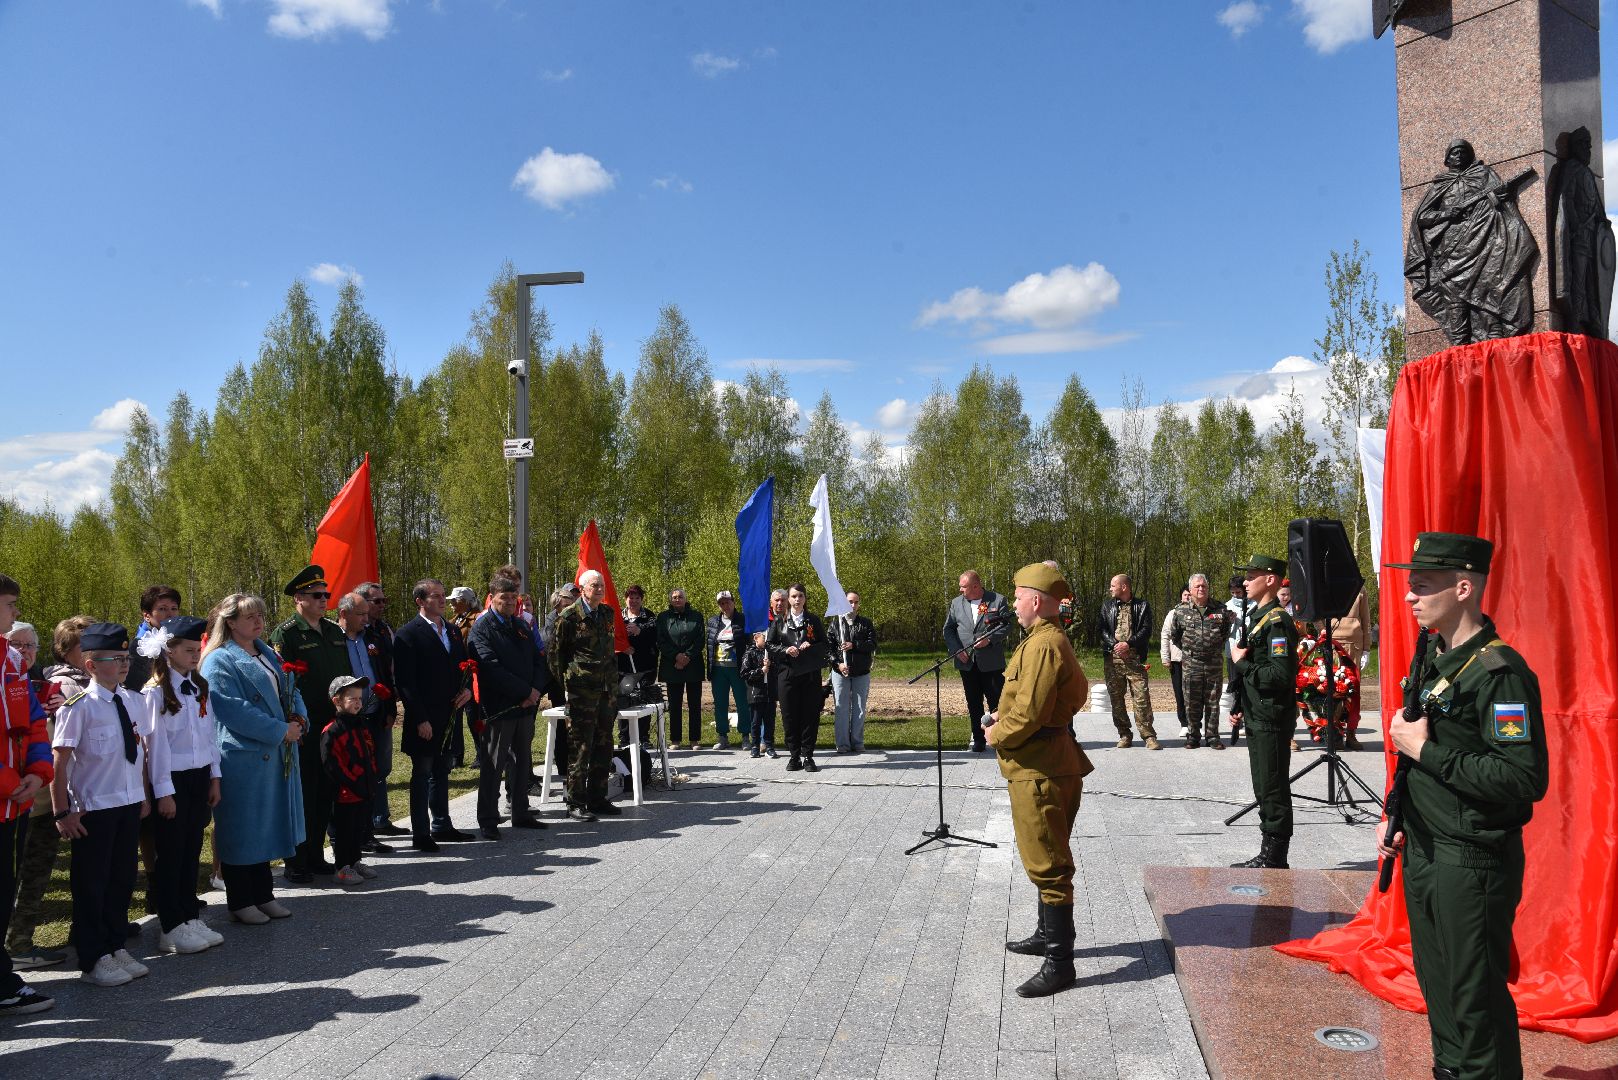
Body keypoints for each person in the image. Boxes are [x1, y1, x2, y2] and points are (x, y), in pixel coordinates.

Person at [1376, 533, 1546, 1080]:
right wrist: (1398, 815)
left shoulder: (1500, 674)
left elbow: (1522, 777)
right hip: (1426, 849)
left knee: (1474, 1004)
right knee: (1440, 991)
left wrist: (1425, 749)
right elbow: (1417, 761)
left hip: (1471, 860)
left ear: (1464, 587)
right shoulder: (1436, 655)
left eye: (1422, 585)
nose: (1410, 596)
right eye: (1410, 585)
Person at [983, 563, 1093, 999]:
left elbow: (1028, 713)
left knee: (1049, 865)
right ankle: (1045, 937)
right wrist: (1002, 715)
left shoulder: (1045, 645)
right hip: (1044, 762)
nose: (1012, 603)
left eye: (1016, 596)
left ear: (1035, 600)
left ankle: (1060, 965)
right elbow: (1053, 699)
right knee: (1043, 856)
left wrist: (996, 732)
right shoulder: (1044, 641)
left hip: (1041, 770)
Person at [50, 622, 150, 988]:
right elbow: (60, 765)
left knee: (122, 879)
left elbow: (138, 752)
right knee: (92, 883)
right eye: (115, 659)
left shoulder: (132, 700)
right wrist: (63, 811)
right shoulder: (78, 707)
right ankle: (93, 957)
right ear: (91, 665)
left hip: (126, 803)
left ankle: (114, 943)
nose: (124, 664)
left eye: (126, 657)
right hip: (93, 808)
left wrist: (142, 796)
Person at [199, 593, 306, 925]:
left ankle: (264, 895)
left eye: (260, 614)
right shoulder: (219, 659)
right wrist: (279, 730)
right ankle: (240, 900)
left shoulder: (266, 653)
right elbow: (232, 709)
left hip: (275, 751)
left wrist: (299, 720)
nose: (258, 621)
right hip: (243, 755)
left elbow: (292, 688)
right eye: (249, 617)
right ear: (230, 623)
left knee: (264, 826)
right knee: (243, 828)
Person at [136, 615, 224, 955]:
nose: (194, 656)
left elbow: (208, 734)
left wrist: (214, 775)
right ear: (169, 650)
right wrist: (163, 792)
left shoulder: (199, 686)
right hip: (171, 780)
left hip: (199, 775)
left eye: (196, 650)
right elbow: (154, 746)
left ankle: (189, 915)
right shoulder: (156, 692)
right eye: (188, 650)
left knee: (190, 850)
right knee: (170, 854)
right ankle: (170, 925)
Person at [7, 616, 90, 970]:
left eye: (30, 646)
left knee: (37, 873)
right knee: (13, 874)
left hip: (43, 796)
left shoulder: (38, 684)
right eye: (17, 645)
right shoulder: (12, 684)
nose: (24, 651)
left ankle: (21, 942)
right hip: (11, 796)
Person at [1407, 138, 1537, 346]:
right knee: (1455, 303)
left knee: (1487, 289)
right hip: (1451, 250)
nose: (1458, 156)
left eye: (1462, 152)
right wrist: (1448, 214)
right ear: (1446, 159)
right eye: (1454, 153)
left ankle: (1495, 338)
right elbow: (1422, 218)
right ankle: (1460, 348)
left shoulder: (1483, 175)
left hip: (1484, 242)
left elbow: (1500, 200)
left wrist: (1502, 195)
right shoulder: (1440, 186)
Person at [268, 565, 350, 881]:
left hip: (334, 726)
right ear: (298, 599)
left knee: (325, 794)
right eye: (317, 595)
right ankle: (297, 860)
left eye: (326, 595)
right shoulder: (286, 634)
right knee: (304, 796)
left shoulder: (333, 632)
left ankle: (316, 855)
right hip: (306, 727)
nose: (323, 600)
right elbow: (282, 684)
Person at [0, 576, 55, 1015]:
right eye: (10, 604)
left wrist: (38, 771)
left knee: (4, 891)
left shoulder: (12, 661)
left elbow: (34, 722)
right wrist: (9, 780)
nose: (16, 612)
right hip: (7, 792)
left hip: (14, 801)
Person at [1228, 555, 1301, 870]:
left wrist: (1240, 662)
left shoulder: (1277, 622)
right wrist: (1240, 704)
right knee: (1263, 784)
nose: (1245, 581)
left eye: (1252, 575)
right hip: (1258, 713)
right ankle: (1269, 852)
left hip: (1271, 717)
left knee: (1272, 786)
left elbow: (1280, 675)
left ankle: (1275, 856)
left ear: (1271, 579)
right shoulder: (1259, 616)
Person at [393, 579, 474, 845]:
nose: (442, 600)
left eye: (443, 596)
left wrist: (467, 690)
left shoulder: (451, 631)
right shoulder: (408, 633)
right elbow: (406, 682)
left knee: (442, 770)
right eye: (435, 596)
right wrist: (420, 718)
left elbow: (462, 666)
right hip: (425, 717)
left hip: (449, 714)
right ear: (420, 601)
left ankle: (442, 824)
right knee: (422, 772)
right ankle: (421, 833)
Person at [468, 574, 548, 840]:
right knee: (494, 764)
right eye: (505, 597)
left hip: (525, 708)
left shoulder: (522, 625)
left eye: (515, 597)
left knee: (522, 761)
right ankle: (488, 819)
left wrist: (535, 690)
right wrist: (525, 692)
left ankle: (521, 812)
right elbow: (490, 668)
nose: (511, 602)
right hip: (500, 708)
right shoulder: (482, 628)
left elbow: (538, 659)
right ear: (492, 598)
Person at [550, 570, 620, 822]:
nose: (600, 589)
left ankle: (597, 798)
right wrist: (570, 683)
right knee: (580, 747)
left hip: (605, 691)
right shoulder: (568, 617)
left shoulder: (607, 613)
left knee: (604, 745)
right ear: (582, 588)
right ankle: (575, 803)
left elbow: (610, 650)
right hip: (582, 693)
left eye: (601, 585)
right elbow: (556, 657)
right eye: (594, 585)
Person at [332, 592, 393, 855]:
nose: (366, 620)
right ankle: (347, 836)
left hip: (375, 715)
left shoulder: (372, 636)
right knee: (350, 777)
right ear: (344, 614)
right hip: (348, 720)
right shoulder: (333, 639)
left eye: (368, 614)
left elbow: (384, 672)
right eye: (361, 614)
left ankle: (368, 832)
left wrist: (389, 706)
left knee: (376, 773)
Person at [321, 675, 382, 887]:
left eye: (359, 698)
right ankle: (342, 867)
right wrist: (352, 782)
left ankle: (355, 861)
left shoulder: (361, 726)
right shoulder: (332, 731)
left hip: (363, 790)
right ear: (337, 701)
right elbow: (332, 764)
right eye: (351, 699)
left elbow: (369, 754)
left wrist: (371, 778)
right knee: (344, 831)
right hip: (345, 792)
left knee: (359, 828)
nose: (358, 702)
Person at [942, 571, 1011, 753]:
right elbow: (948, 630)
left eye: (963, 586)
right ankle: (978, 740)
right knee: (973, 702)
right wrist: (957, 650)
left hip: (991, 662)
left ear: (975, 586)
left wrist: (990, 639)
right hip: (967, 662)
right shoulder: (956, 603)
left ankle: (998, 738)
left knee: (996, 702)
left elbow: (1007, 625)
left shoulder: (997, 600)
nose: (960, 589)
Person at [356, 582, 403, 842]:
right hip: (358, 712)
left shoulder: (384, 630)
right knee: (362, 767)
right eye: (377, 601)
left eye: (384, 600)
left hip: (382, 708)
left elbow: (393, 668)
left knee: (382, 766)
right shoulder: (352, 632)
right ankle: (365, 826)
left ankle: (380, 819)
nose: (382, 605)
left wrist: (391, 705)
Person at [767, 583, 828, 772]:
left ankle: (808, 756)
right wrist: (786, 650)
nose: (797, 599)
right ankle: (794, 755)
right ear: (788, 600)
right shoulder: (779, 621)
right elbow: (769, 645)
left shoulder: (813, 620)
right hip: (787, 674)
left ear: (805, 599)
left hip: (809, 675)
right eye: (793, 596)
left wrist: (811, 647)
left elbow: (825, 645)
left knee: (809, 715)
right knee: (790, 716)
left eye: (800, 596)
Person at [1170, 574, 1231, 751]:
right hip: (1192, 663)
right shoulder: (1180, 611)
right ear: (1190, 590)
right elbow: (1175, 636)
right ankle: (1193, 736)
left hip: (1214, 663)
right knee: (1192, 701)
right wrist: (1191, 651)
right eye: (1197, 586)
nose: (1201, 589)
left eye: (1204, 586)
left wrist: (1212, 648)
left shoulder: (1220, 609)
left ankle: (1212, 736)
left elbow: (1225, 632)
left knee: (1213, 701)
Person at [1100, 573, 1157, 749]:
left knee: (1141, 698)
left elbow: (1146, 630)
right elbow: (1102, 630)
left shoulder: (1142, 605)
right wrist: (1116, 645)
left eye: (1113, 585)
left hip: (1135, 659)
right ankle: (1124, 734)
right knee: (1116, 700)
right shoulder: (1107, 606)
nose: (1110, 588)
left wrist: (1129, 644)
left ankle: (1149, 736)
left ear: (1124, 587)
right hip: (1113, 660)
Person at [826, 590, 877, 753]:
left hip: (861, 672)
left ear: (859, 604)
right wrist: (838, 664)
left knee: (860, 708)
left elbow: (872, 644)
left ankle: (857, 742)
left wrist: (854, 645)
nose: (852, 605)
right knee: (841, 708)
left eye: (855, 602)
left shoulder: (866, 623)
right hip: (840, 673)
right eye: (849, 601)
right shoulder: (835, 624)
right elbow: (829, 649)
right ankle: (842, 744)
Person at [656, 589, 706, 750]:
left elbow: (700, 639)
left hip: (693, 665)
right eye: (674, 597)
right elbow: (660, 640)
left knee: (694, 704)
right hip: (672, 666)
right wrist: (676, 656)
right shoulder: (663, 617)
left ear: (686, 599)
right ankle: (675, 740)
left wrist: (687, 657)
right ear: (670, 600)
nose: (678, 599)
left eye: (680, 597)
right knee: (675, 704)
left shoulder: (696, 616)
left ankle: (694, 740)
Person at [705, 590, 748, 750]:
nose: (725, 605)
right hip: (718, 669)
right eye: (722, 603)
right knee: (720, 704)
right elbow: (708, 646)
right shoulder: (713, 621)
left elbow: (749, 643)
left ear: (734, 602)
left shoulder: (743, 619)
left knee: (742, 702)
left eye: (728, 601)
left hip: (737, 669)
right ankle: (722, 736)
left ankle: (745, 736)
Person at [618, 585, 658, 744]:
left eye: (637, 598)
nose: (633, 601)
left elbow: (654, 636)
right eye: (631, 598)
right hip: (625, 669)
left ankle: (643, 737)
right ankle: (624, 738)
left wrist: (639, 631)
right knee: (624, 701)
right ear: (625, 599)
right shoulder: (618, 617)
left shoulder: (649, 616)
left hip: (645, 668)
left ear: (641, 600)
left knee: (644, 703)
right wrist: (623, 648)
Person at [447, 586, 481, 767]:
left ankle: (481, 753)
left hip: (474, 673)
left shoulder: (477, 618)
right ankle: (456, 755)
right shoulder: (453, 621)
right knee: (457, 713)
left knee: (473, 714)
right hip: (458, 674)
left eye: (455, 600)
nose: (451, 603)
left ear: (466, 602)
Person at [124, 584, 182, 692]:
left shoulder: (181, 643)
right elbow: (135, 690)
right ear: (147, 616)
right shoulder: (138, 649)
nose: (170, 614)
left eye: (174, 608)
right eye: (162, 609)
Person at [740, 631, 775, 759]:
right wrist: (761, 671)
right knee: (756, 722)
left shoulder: (771, 652)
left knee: (769, 721)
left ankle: (769, 746)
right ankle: (755, 746)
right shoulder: (749, 653)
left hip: (769, 693)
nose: (766, 640)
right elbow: (744, 673)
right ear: (756, 638)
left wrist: (771, 666)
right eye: (764, 637)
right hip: (755, 693)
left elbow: (778, 671)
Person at [1160, 588, 1190, 735]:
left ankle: (1196, 723)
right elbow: (1165, 635)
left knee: (1196, 693)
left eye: (1190, 594)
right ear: (1181, 597)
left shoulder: (1201, 612)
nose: (1188, 597)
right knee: (1180, 692)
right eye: (1185, 594)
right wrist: (1165, 657)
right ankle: (1184, 723)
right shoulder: (1172, 613)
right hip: (1177, 659)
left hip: (1196, 661)